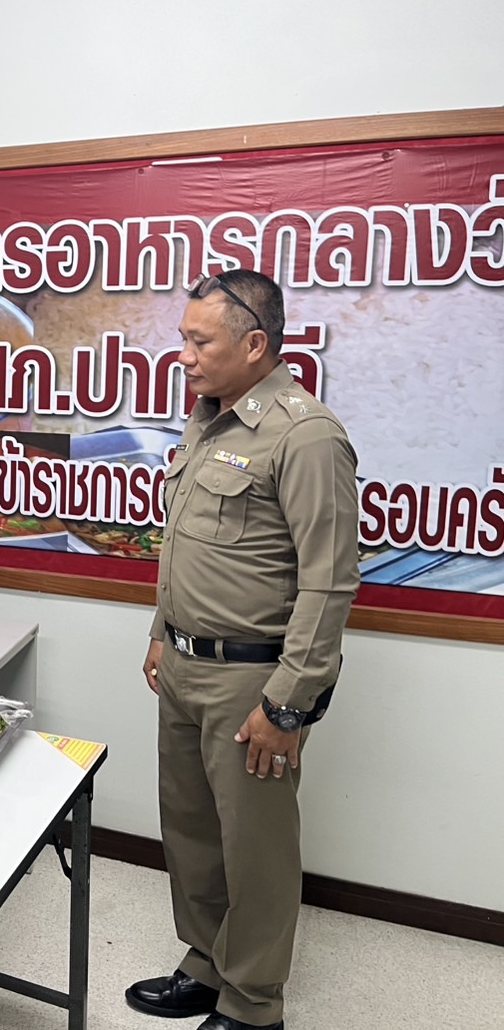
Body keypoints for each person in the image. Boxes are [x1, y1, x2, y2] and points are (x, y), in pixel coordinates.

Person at [127, 270, 360, 1030]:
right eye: (183, 339)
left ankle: (254, 1003)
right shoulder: (207, 421)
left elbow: (328, 582)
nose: (184, 356)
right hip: (184, 664)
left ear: (255, 344)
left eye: (200, 342)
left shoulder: (305, 435)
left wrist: (287, 706)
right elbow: (185, 545)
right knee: (192, 831)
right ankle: (206, 963)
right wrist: (161, 633)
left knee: (254, 846)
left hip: (251, 682)